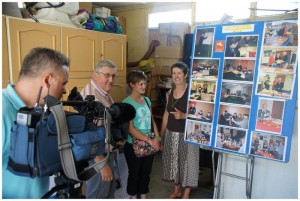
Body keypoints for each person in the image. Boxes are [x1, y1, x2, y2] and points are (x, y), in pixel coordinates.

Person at [2, 47, 70, 198]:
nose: (65, 91)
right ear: (47, 80)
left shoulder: (41, 111)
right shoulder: (2, 111)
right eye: (63, 83)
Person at [80, 60, 122, 198]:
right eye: (107, 75)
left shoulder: (103, 92)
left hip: (107, 153)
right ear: (95, 75)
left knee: (107, 194)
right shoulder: (89, 98)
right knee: (98, 195)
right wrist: (102, 164)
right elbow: (86, 135)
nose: (111, 80)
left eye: (113, 76)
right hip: (98, 158)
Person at [160, 62, 199, 199]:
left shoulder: (192, 92)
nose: (176, 76)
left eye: (179, 73)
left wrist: (184, 116)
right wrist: (161, 134)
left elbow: (201, 115)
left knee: (188, 163)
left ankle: (186, 194)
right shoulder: (170, 92)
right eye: (174, 73)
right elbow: (166, 114)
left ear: (186, 75)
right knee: (174, 162)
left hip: (188, 135)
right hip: (172, 133)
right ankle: (176, 191)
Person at [122, 70, 160, 199]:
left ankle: (143, 195)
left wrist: (157, 138)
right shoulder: (126, 103)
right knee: (134, 172)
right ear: (132, 84)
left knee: (146, 172)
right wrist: (150, 141)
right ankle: (133, 196)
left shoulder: (147, 100)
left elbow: (152, 120)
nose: (144, 86)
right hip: (133, 145)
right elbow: (131, 129)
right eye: (141, 84)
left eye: (145, 83)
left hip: (149, 143)